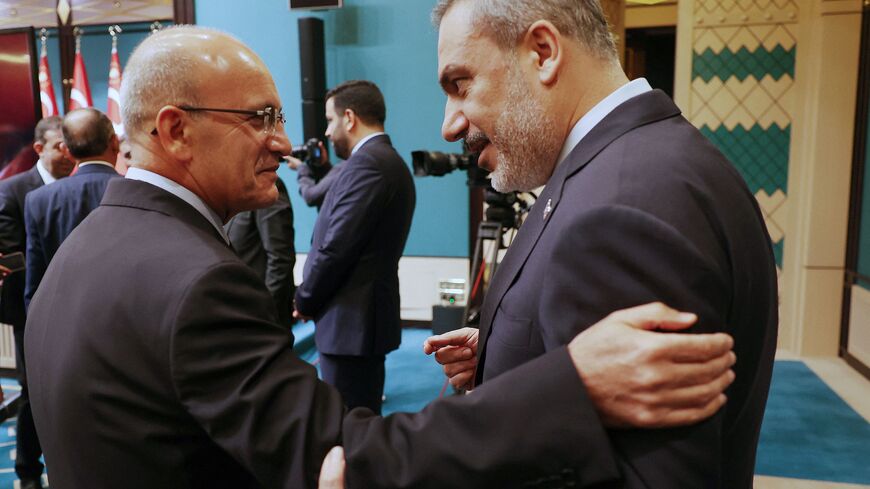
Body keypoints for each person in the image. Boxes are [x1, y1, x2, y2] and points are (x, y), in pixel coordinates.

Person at [25, 26, 737, 489]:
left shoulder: (81, 247)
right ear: (176, 130)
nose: (283, 140)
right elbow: (341, 460)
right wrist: (571, 385)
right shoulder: (198, 282)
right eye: (260, 118)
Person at [426, 1, 779, 488]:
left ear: (544, 52)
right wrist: (505, 349)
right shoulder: (652, 157)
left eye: (460, 85)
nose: (450, 124)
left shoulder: (619, 207)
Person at [294, 80, 414, 414]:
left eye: (330, 121)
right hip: (357, 322)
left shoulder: (368, 165)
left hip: (351, 323)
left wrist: (305, 297)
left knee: (348, 429)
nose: (328, 133)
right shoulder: (383, 161)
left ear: (349, 117)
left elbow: (336, 249)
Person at [0, 116, 72, 489]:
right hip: (29, 313)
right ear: (40, 148)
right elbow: (12, 257)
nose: (68, 152)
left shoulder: (80, 185)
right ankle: (29, 473)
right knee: (33, 393)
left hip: (78, 310)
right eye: (60, 145)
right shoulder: (13, 190)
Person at [24, 108, 121, 309]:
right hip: (127, 322)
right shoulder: (139, 189)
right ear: (115, 142)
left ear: (67, 150)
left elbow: (35, 283)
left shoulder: (38, 201)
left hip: (62, 322)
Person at [225, 177, 295, 325]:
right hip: (232, 313)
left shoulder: (265, 185)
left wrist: (263, 312)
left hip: (260, 319)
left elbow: (280, 258)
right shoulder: (228, 188)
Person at [285, 141, 340, 208]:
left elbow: (310, 196)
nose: (327, 133)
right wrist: (325, 165)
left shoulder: (346, 167)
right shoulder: (343, 169)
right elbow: (331, 184)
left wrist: (300, 167)